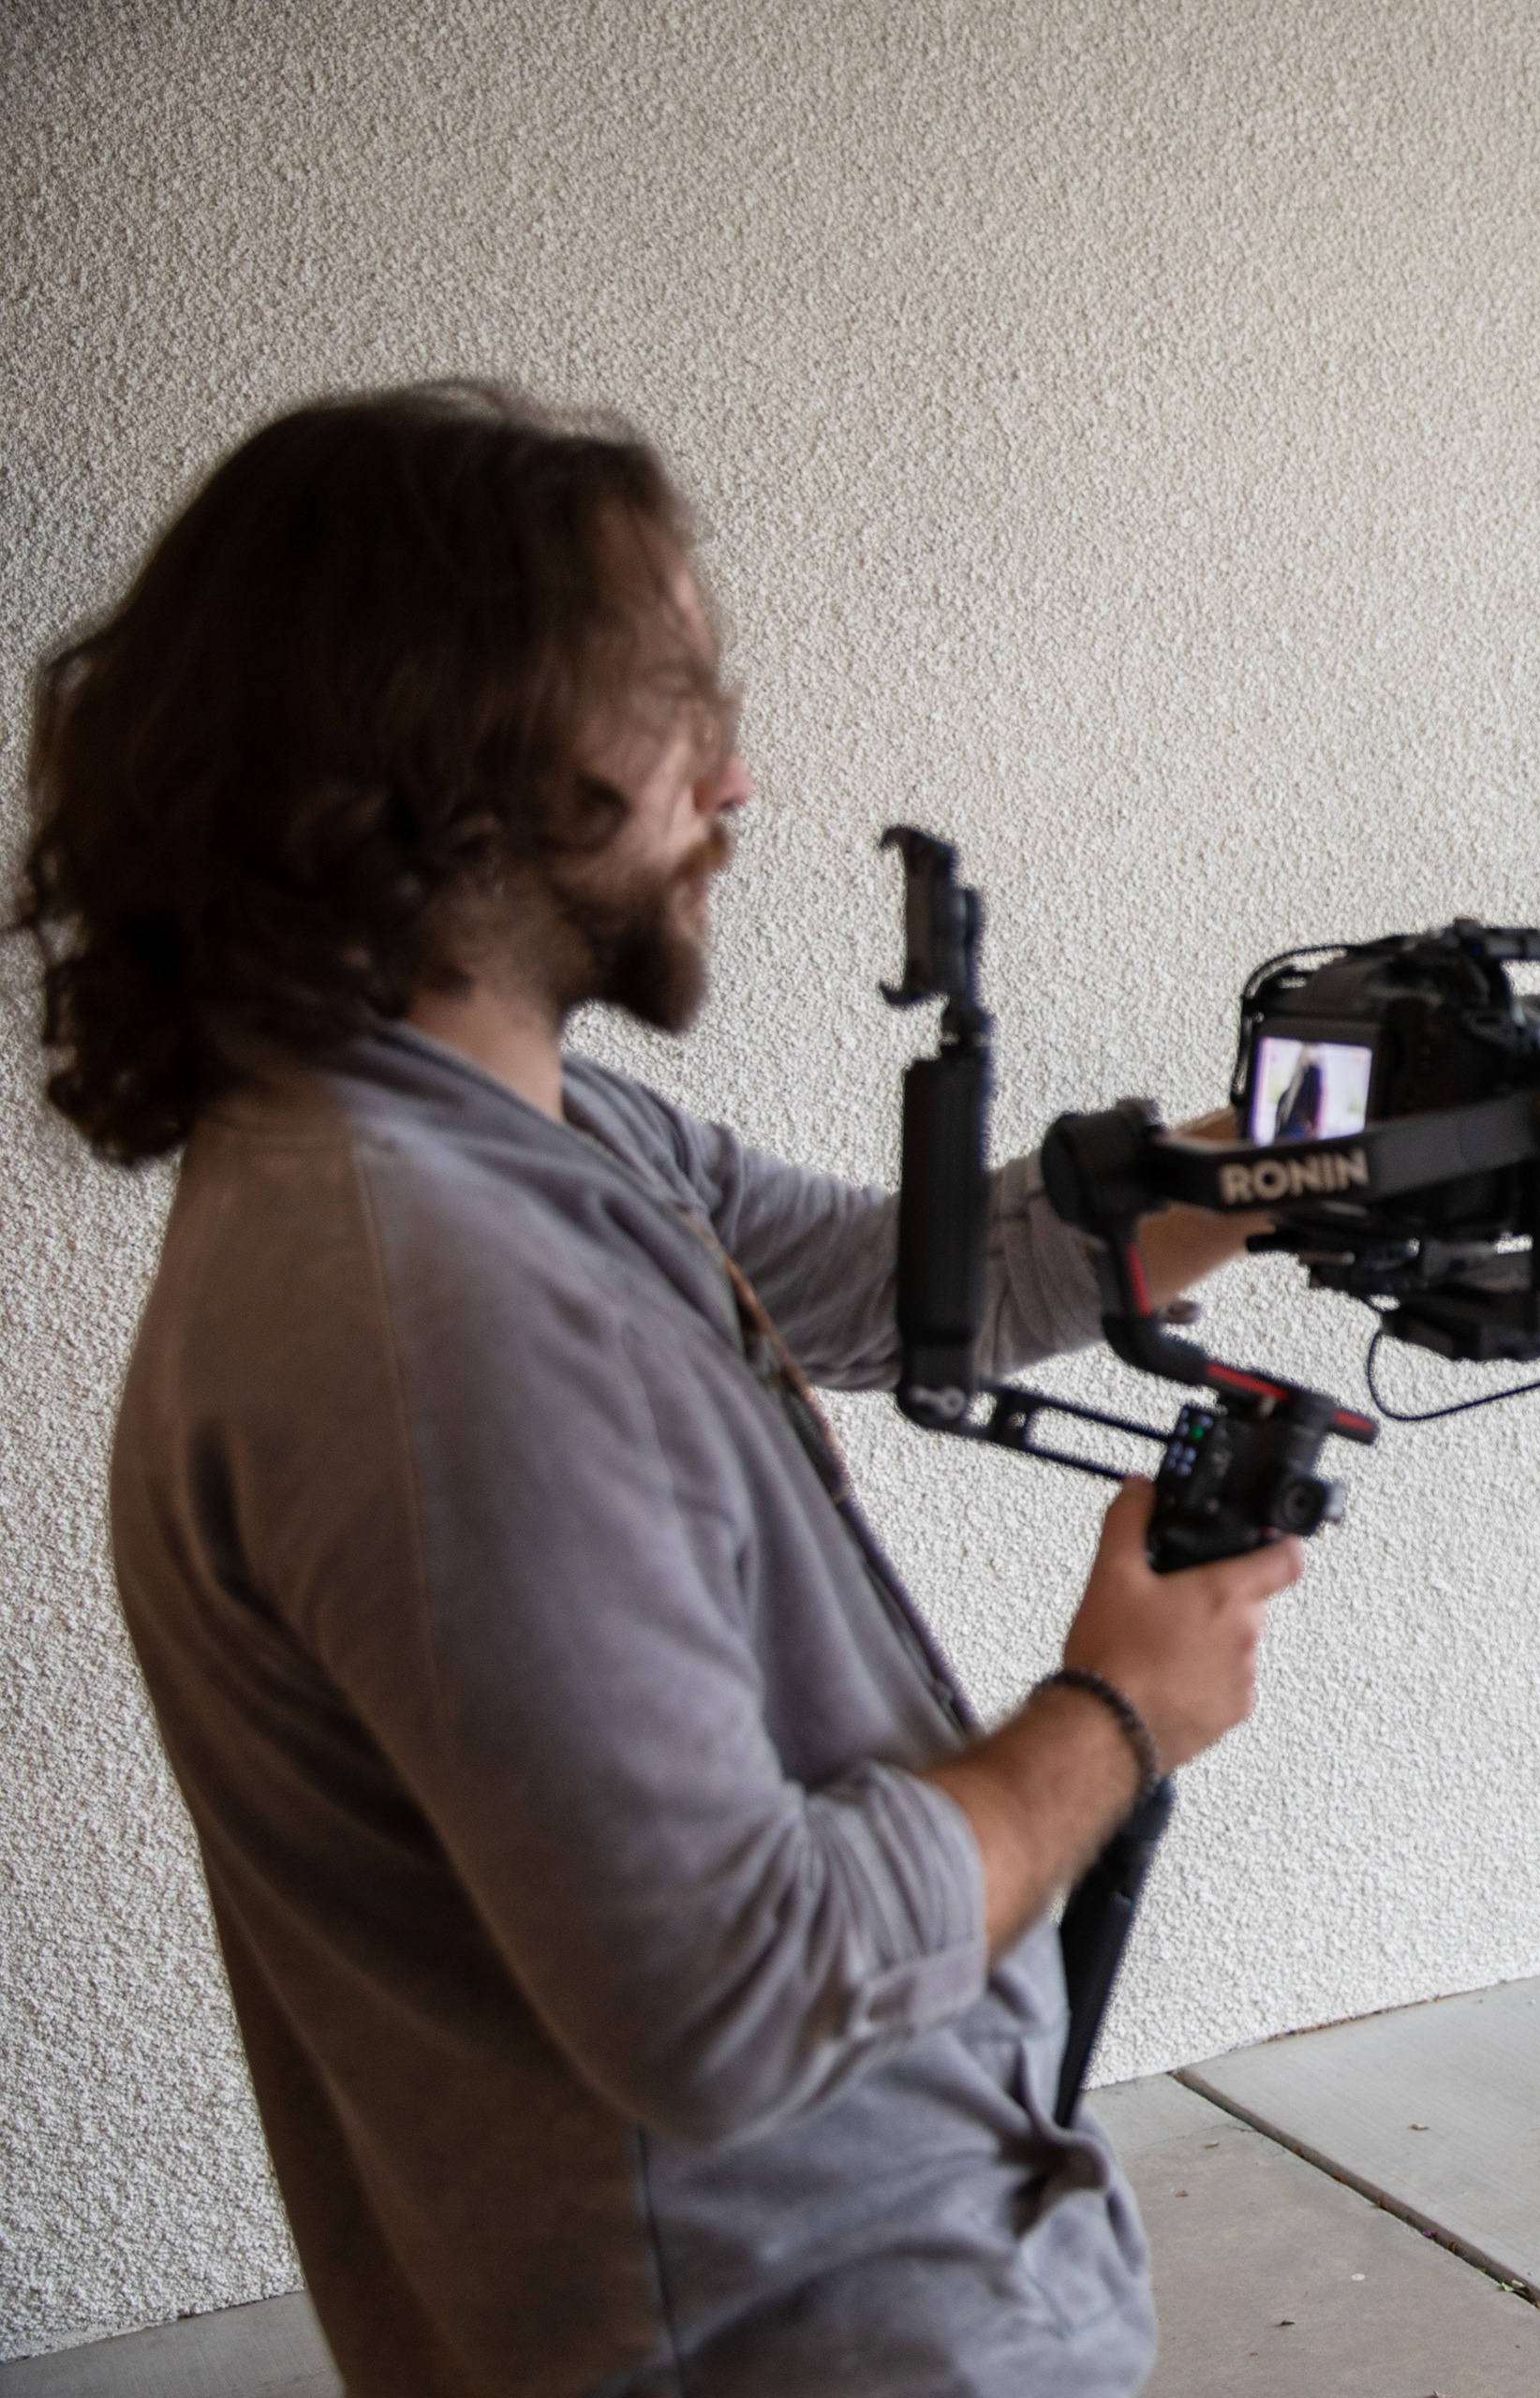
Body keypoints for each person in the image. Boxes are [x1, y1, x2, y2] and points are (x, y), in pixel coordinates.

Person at [15, 383, 1301, 2395]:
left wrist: (1286, 1165)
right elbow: (739, 1991)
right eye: (675, 700)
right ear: (455, 742)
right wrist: (1118, 1717)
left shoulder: (526, 1143)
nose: (736, 776)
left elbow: (908, 1284)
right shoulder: (428, 1310)